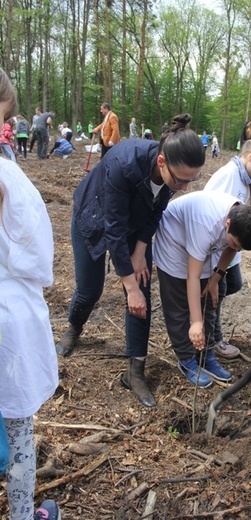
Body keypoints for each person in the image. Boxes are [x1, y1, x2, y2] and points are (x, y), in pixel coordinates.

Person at [55, 114, 205, 408]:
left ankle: (135, 371)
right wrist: (129, 286)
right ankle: (73, 328)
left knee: (143, 290)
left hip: (134, 225)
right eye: (181, 180)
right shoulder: (124, 164)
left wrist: (140, 251)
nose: (186, 188)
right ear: (161, 161)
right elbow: (113, 229)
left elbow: (157, 210)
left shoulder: (172, 175)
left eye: (193, 179)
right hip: (94, 217)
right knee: (91, 289)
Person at [0, 68, 60, 519]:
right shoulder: (6, 178)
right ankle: (22, 514)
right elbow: (36, 254)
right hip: (7, 316)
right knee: (18, 428)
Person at [153, 193, 251, 387]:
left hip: (204, 245)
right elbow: (192, 276)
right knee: (179, 307)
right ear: (227, 224)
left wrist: (215, 278)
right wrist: (196, 323)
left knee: (209, 299)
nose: (236, 248)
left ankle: (206, 355)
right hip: (174, 240)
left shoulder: (242, 219)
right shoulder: (206, 224)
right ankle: (186, 359)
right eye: (234, 242)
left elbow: (232, 248)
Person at [204, 136, 251, 359]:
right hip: (218, 247)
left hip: (231, 248)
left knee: (233, 283)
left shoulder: (244, 179)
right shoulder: (228, 177)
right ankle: (213, 338)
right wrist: (214, 272)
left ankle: (206, 319)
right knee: (219, 289)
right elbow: (214, 220)